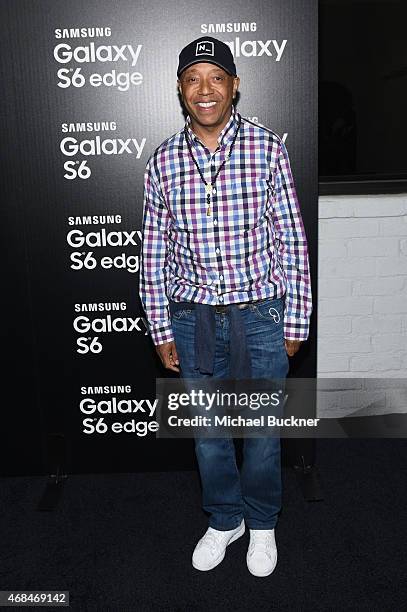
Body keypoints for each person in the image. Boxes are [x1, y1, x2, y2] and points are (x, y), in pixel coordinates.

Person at [139, 36, 312, 577]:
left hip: (261, 315)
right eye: (193, 79)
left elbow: (290, 237)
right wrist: (160, 327)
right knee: (209, 434)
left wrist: (297, 318)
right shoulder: (163, 161)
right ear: (180, 90)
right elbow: (153, 250)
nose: (205, 89)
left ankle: (262, 524)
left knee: (262, 433)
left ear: (235, 86)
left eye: (217, 77)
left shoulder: (267, 148)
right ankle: (224, 520)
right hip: (192, 321)